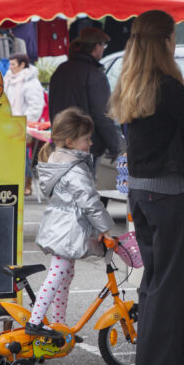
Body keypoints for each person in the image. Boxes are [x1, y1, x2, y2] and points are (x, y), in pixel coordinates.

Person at [109, 10, 184, 365]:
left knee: (153, 284)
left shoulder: (129, 83)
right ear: (166, 42)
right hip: (166, 194)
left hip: (139, 193)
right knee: (172, 287)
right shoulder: (167, 86)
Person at [24, 107, 112, 337]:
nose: (91, 143)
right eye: (87, 139)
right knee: (58, 272)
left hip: (58, 225)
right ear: (71, 141)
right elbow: (90, 201)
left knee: (65, 273)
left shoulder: (58, 159)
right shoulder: (74, 169)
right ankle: (35, 321)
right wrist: (106, 229)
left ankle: (58, 323)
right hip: (67, 229)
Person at [48, 26, 121, 167]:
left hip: (62, 142)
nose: (103, 49)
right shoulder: (94, 75)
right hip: (85, 146)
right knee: (83, 186)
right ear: (97, 46)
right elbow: (103, 115)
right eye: (103, 45)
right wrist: (114, 146)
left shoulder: (61, 70)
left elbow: (52, 107)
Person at [4, 53, 45, 196]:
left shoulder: (31, 83)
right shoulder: (8, 79)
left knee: (21, 155)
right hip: (8, 124)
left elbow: (35, 107)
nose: (10, 67)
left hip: (24, 125)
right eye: (10, 64)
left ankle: (26, 183)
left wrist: (23, 123)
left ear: (22, 65)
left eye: (13, 64)